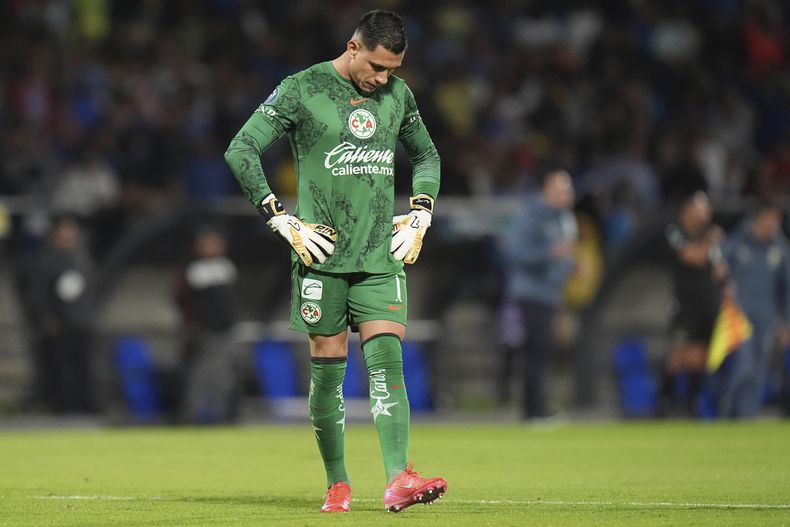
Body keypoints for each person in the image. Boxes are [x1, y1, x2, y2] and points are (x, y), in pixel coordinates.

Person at [224, 10, 446, 513]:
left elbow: (428, 157)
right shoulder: (301, 89)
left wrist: (421, 212)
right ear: (352, 47)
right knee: (328, 373)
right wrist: (279, 217)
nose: (382, 79)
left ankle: (398, 479)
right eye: (376, 66)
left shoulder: (398, 96)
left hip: (378, 255)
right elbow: (241, 150)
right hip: (320, 255)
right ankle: (337, 483)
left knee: (388, 362)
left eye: (392, 69)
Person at [501, 166, 577, 419]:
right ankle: (534, 410)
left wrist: (571, 267)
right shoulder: (531, 216)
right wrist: (548, 255)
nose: (568, 193)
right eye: (562, 188)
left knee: (543, 350)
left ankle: (536, 407)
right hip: (531, 293)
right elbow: (516, 253)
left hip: (551, 294)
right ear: (547, 189)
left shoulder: (564, 219)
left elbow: (564, 255)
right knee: (536, 350)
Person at [720, 202, 790, 418]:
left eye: (776, 221)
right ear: (757, 219)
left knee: (759, 374)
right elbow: (718, 268)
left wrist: (787, 323)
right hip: (739, 320)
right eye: (768, 219)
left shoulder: (780, 250)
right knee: (745, 369)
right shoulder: (737, 244)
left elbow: (787, 289)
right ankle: (728, 414)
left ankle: (746, 419)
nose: (772, 225)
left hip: (767, 321)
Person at [660, 191, 727, 416]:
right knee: (678, 356)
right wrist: (710, 242)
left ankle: (691, 405)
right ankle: (664, 403)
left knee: (700, 357)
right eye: (702, 208)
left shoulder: (707, 237)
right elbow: (692, 256)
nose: (707, 214)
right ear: (688, 211)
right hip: (684, 304)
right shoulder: (675, 231)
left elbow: (719, 271)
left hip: (707, 305)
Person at [27, 215, 97, 414]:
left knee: (84, 366)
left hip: (82, 323)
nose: (69, 236)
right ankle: (62, 406)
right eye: (64, 232)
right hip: (61, 324)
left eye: (71, 231)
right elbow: (39, 293)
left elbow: (88, 291)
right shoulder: (47, 262)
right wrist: (47, 318)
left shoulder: (81, 260)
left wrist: (89, 316)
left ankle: (85, 405)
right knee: (60, 368)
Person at [174, 226, 240, 424]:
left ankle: (222, 414)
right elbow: (185, 301)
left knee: (224, 374)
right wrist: (194, 326)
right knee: (201, 374)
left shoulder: (226, 267)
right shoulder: (194, 269)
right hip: (204, 330)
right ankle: (193, 414)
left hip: (226, 329)